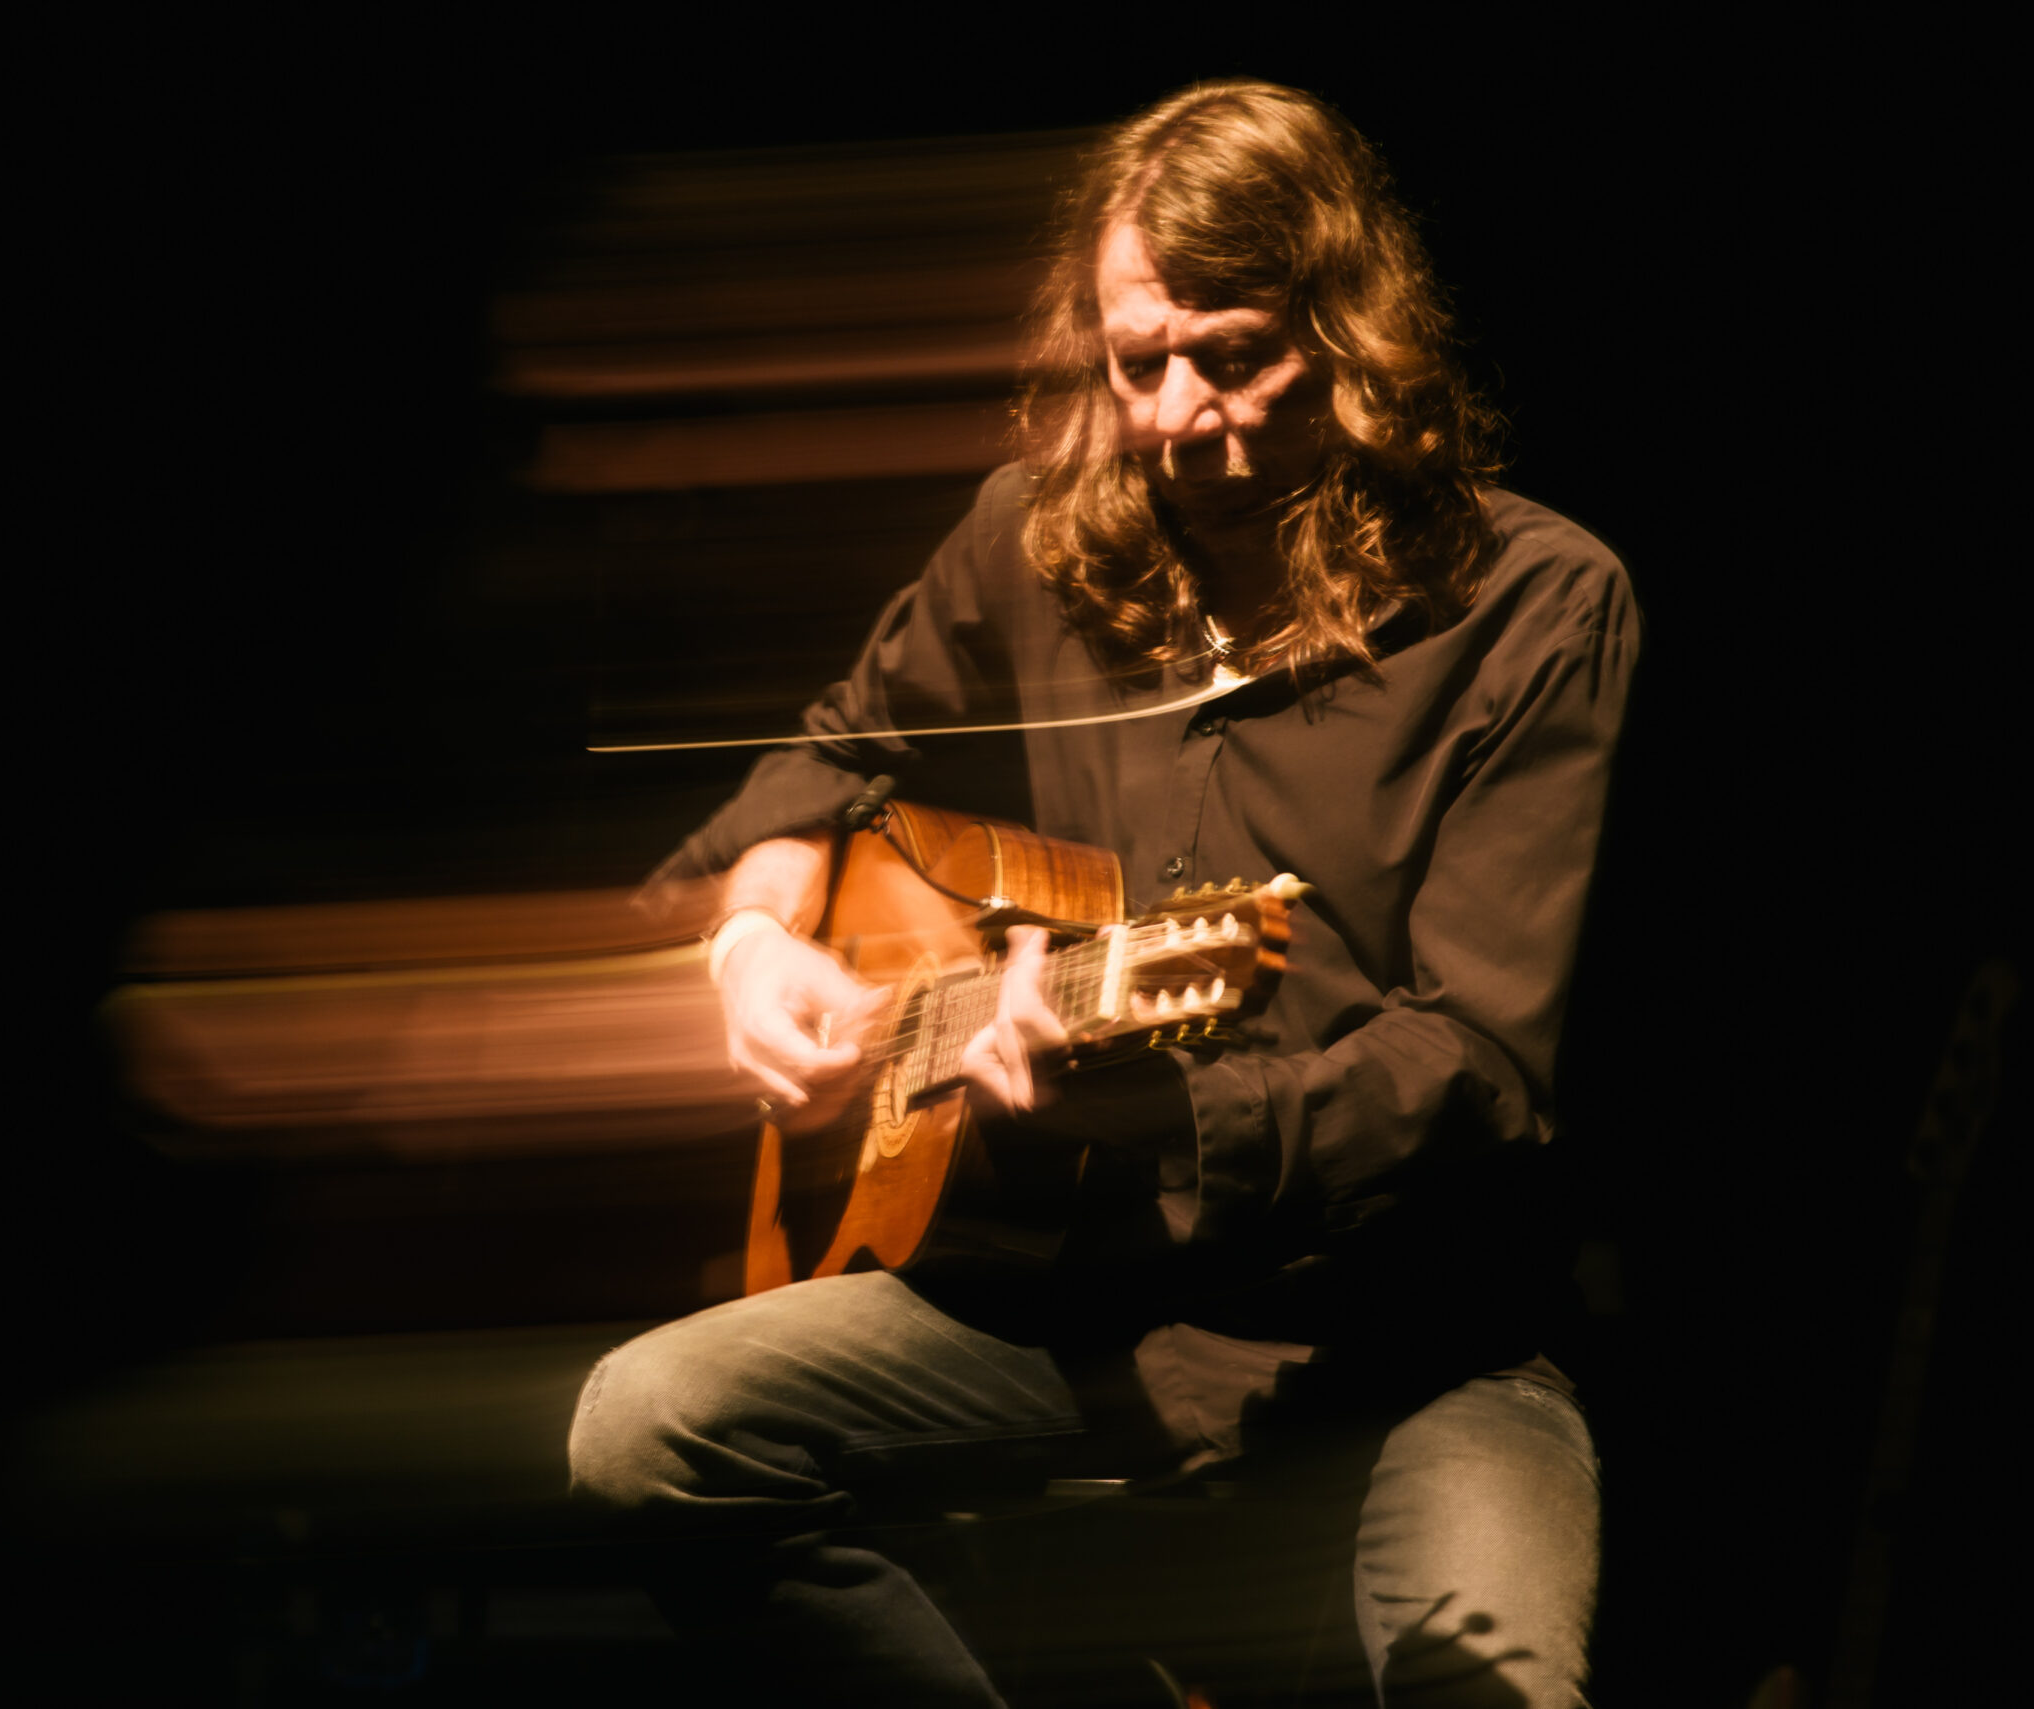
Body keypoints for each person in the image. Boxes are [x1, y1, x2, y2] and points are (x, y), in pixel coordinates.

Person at [569, 79, 1634, 1708]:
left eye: (1235, 355)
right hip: (1077, 1305)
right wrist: (755, 943)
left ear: (1348, 334)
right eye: (1141, 362)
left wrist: (1174, 1121)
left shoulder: (1534, 601)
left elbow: (1480, 1065)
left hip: (1414, 1347)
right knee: (644, 1432)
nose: (1174, 416)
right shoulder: (1034, 543)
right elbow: (823, 761)